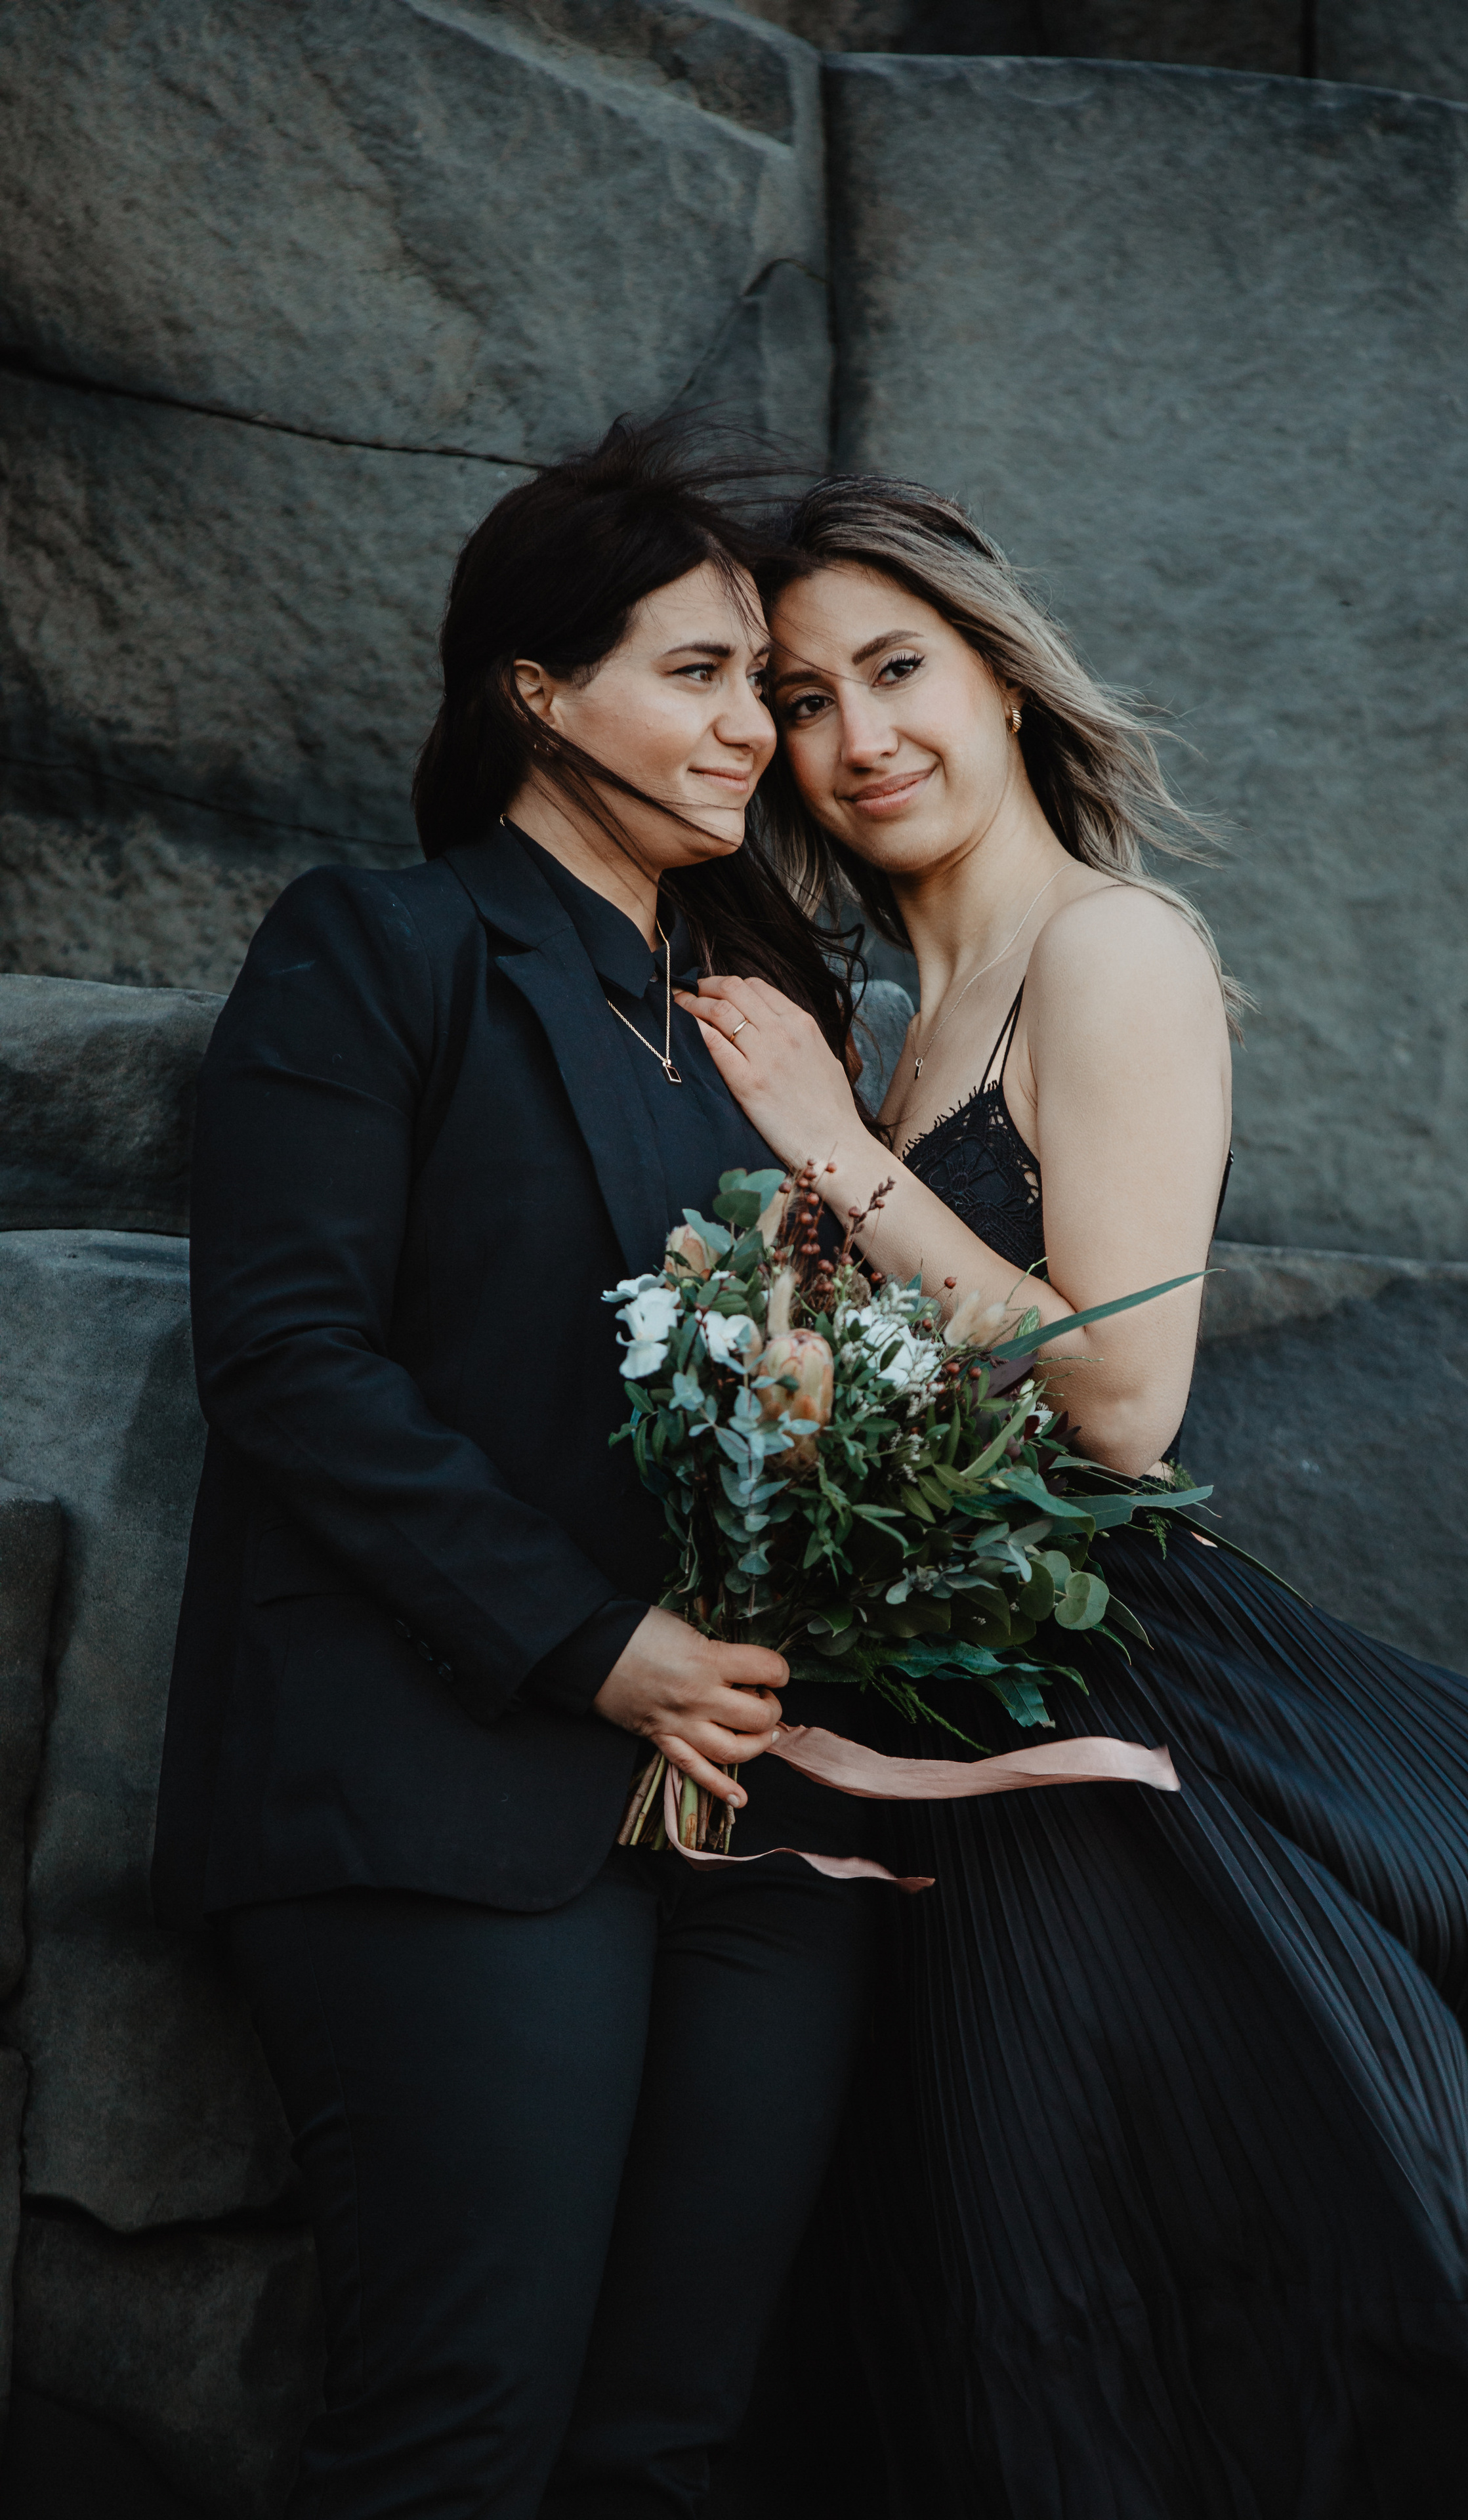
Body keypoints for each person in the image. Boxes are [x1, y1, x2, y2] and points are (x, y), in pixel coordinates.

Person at [676, 476, 1468, 2519]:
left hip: (1118, 1696)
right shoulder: (888, 1020)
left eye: (899, 670)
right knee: (1002, 2296)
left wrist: (823, 1157)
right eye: (800, 697)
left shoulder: (1108, 951)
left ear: (1002, 679)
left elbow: (1123, 1398)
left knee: (1199, 2284)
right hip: (944, 1722)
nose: (859, 735)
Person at [148, 419, 883, 2520]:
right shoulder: (377, 949)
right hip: (442, 1792)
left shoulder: (764, 1011)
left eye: (766, 680)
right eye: (700, 672)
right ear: (535, 694)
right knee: (455, 2436)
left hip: (757, 1821)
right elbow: (287, 1363)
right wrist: (591, 1642)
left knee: (675, 2443)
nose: (756, 726)